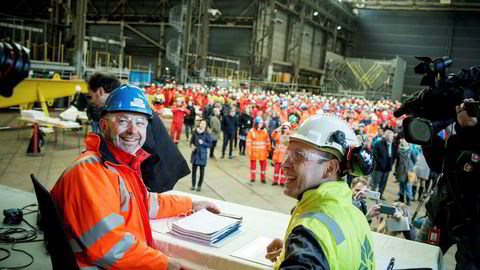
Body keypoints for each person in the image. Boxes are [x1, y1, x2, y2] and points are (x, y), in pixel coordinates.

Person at [51, 85, 220, 269]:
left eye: (140, 123)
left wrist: (191, 205)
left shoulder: (121, 164)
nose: (132, 130)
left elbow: (144, 203)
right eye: (123, 121)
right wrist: (167, 265)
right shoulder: (91, 172)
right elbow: (111, 248)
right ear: (104, 125)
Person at [265, 114, 375, 269]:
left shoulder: (309, 234)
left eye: (297, 156)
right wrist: (289, 252)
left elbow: (313, 252)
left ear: (329, 168)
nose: (284, 164)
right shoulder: (357, 216)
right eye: (287, 154)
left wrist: (302, 247)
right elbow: (335, 255)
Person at [86, 72, 190, 193]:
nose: (92, 101)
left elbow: (145, 146)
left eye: (91, 96)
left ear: (99, 91)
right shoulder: (132, 101)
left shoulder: (128, 105)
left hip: (158, 166)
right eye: (123, 121)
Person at [370, 129, 397, 200]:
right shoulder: (379, 143)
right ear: (387, 136)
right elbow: (375, 154)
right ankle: (372, 195)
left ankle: (380, 194)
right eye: (391, 136)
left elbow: (394, 156)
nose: (393, 138)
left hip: (387, 167)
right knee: (375, 181)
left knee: (383, 182)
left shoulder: (393, 145)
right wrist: (380, 163)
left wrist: (391, 164)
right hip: (379, 167)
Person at [190, 120, 211, 192]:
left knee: (202, 172)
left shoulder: (207, 134)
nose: (202, 125)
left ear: (205, 126)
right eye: (201, 123)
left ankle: (199, 186)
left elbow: (210, 145)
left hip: (202, 155)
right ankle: (193, 185)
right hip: (195, 154)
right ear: (199, 124)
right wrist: (192, 146)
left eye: (204, 124)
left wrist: (203, 143)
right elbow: (191, 141)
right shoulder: (195, 132)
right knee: (194, 171)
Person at [247, 117, 270, 183]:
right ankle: (253, 177)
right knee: (253, 165)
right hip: (254, 152)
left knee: (263, 166)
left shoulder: (265, 131)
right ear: (256, 123)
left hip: (263, 152)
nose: (261, 124)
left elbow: (267, 141)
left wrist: (268, 150)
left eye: (262, 123)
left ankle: (263, 178)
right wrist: (249, 151)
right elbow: (249, 142)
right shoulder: (251, 131)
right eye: (260, 123)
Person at [394, 137, 416, 206]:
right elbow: (397, 161)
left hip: (408, 171)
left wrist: (410, 167)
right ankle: (401, 200)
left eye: (404, 140)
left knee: (408, 186)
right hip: (400, 170)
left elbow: (414, 159)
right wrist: (396, 171)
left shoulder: (411, 150)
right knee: (401, 185)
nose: (402, 141)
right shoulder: (399, 150)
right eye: (402, 140)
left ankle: (409, 201)